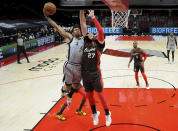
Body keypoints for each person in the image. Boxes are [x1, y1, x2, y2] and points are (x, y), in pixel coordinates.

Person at [43, 8, 87, 120]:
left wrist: (81, 11)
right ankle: (64, 94)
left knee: (77, 89)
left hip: (79, 68)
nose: (77, 30)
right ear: (72, 32)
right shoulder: (70, 38)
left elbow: (83, 23)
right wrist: (48, 18)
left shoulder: (84, 39)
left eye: (78, 29)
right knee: (68, 87)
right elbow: (57, 27)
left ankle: (75, 105)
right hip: (70, 66)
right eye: (75, 29)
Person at [80, 10, 111, 126]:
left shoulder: (99, 44)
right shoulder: (86, 42)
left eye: (97, 35)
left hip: (95, 74)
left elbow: (101, 31)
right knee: (90, 96)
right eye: (94, 34)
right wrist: (81, 11)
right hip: (85, 74)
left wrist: (93, 18)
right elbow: (83, 25)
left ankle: (107, 114)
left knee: (101, 95)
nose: (95, 34)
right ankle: (94, 114)